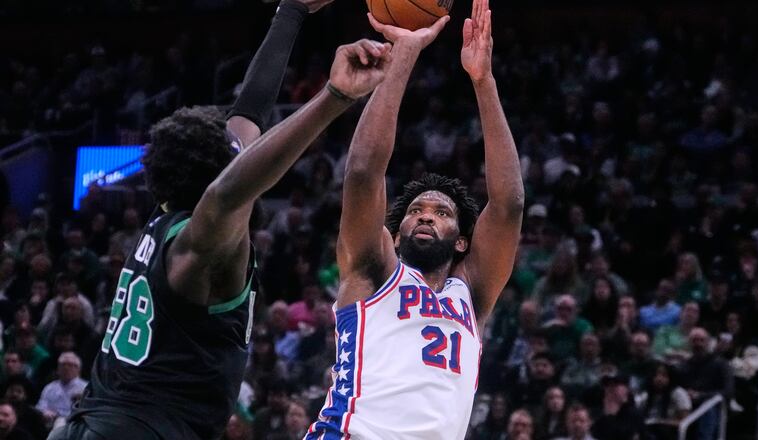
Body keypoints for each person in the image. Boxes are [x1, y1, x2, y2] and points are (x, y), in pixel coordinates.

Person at [54, 11, 391, 440]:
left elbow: (250, 110)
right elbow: (227, 192)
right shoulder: (199, 242)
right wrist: (335, 96)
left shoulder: (165, 221)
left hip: (95, 422)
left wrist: (291, 11)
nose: (248, 148)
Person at [306, 1, 524, 437]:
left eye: (441, 213)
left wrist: (483, 81)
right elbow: (364, 171)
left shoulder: (471, 296)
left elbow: (509, 205)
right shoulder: (373, 270)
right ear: (396, 231)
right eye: (415, 211)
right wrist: (404, 50)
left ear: (462, 241)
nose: (425, 217)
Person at [35, 353, 87, 425]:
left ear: (78, 369)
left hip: (75, 423)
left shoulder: (85, 387)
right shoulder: (50, 387)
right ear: (58, 368)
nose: (66, 368)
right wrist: (45, 412)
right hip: (51, 422)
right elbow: (40, 406)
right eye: (63, 365)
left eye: (70, 365)